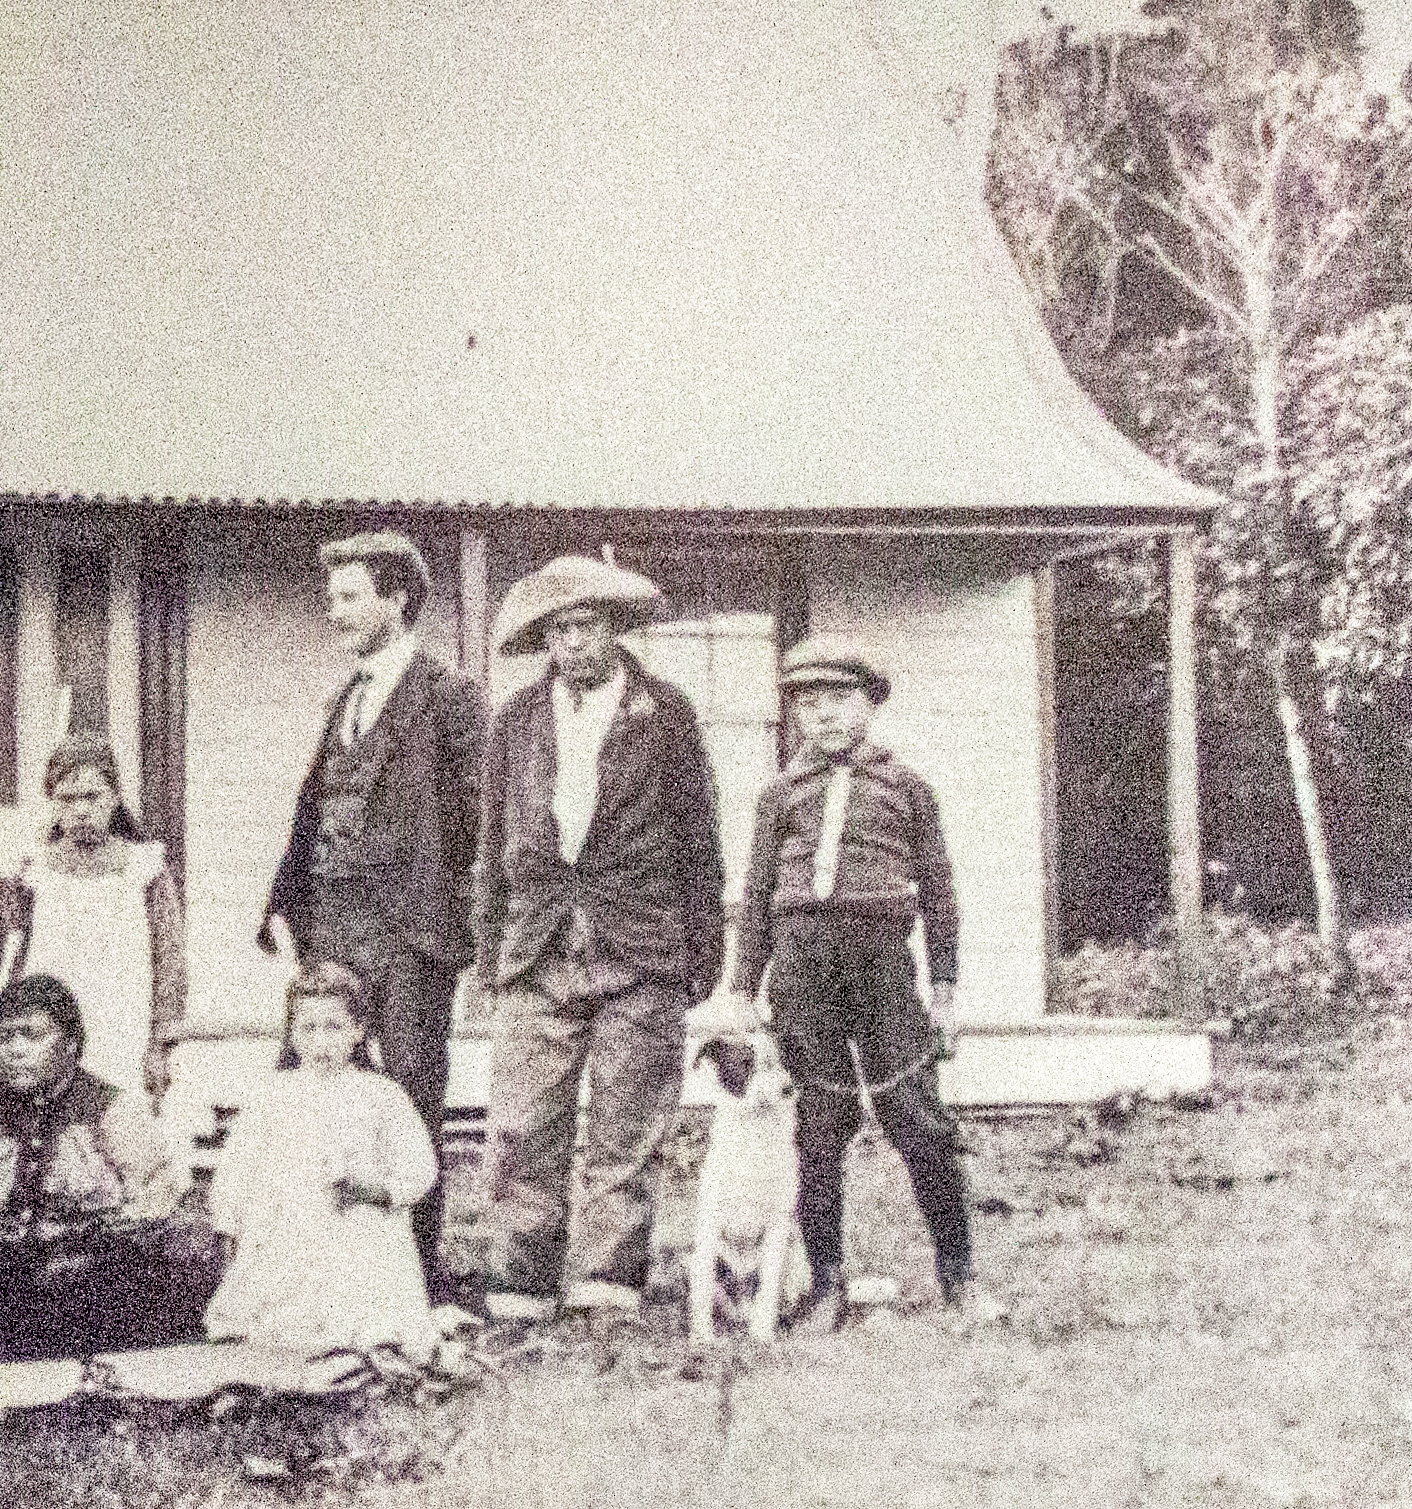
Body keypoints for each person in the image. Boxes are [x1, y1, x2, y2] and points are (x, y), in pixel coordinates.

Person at [470, 554, 726, 1321]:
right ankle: (519, 1278)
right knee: (522, 1121)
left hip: (640, 944)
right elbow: (491, 843)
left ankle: (606, 1279)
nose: (574, 644)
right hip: (538, 946)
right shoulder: (515, 719)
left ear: (615, 629)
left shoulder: (665, 712)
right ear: (543, 640)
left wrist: (699, 951)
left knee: (629, 1120)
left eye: (587, 627)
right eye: (559, 631)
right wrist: (491, 953)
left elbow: (699, 838)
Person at [729, 635, 996, 1324]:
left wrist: (943, 992)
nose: (824, 716)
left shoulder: (908, 788)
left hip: (881, 969)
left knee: (920, 1121)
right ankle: (827, 1284)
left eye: (840, 700)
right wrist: (741, 990)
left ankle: (959, 1277)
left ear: (871, 704)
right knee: (819, 1127)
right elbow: (756, 896)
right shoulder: (780, 793)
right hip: (800, 972)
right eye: (808, 704)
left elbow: (939, 893)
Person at [258, 530, 485, 1302]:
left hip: (411, 932)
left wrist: (456, 916)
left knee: (410, 1091)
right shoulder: (346, 697)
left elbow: (476, 819)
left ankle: (412, 1273)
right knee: (307, 1080)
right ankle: (304, 1261)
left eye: (350, 596)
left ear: (396, 599)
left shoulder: (448, 695)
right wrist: (284, 899)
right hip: (331, 920)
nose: (335, 611)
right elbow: (315, 806)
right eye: (334, 596)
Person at [0, 972, 207, 1360]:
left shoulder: (112, 1110)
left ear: (70, 1044)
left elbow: (157, 1200)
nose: (15, 1050)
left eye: (33, 1036)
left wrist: (92, 1246)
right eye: (4, 1037)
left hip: (87, 1282)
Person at [204, 962, 442, 1359]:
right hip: (288, 1224)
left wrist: (379, 1191)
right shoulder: (274, 1094)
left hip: (359, 1220)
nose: (320, 1042)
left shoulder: (379, 1094)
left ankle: (362, 1323)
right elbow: (239, 1167)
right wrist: (228, 1223)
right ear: (293, 1034)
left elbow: (418, 1163)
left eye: (333, 1028)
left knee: (367, 1300)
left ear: (358, 1031)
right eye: (307, 1029)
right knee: (274, 1307)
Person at [0, 732, 184, 1101]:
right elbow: (14, 958)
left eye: (91, 796)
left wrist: (161, 1044)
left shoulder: (144, 869)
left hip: (123, 1023)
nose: (80, 810)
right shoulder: (34, 872)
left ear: (114, 798)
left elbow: (170, 961)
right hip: (51, 1028)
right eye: (67, 799)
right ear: (53, 804)